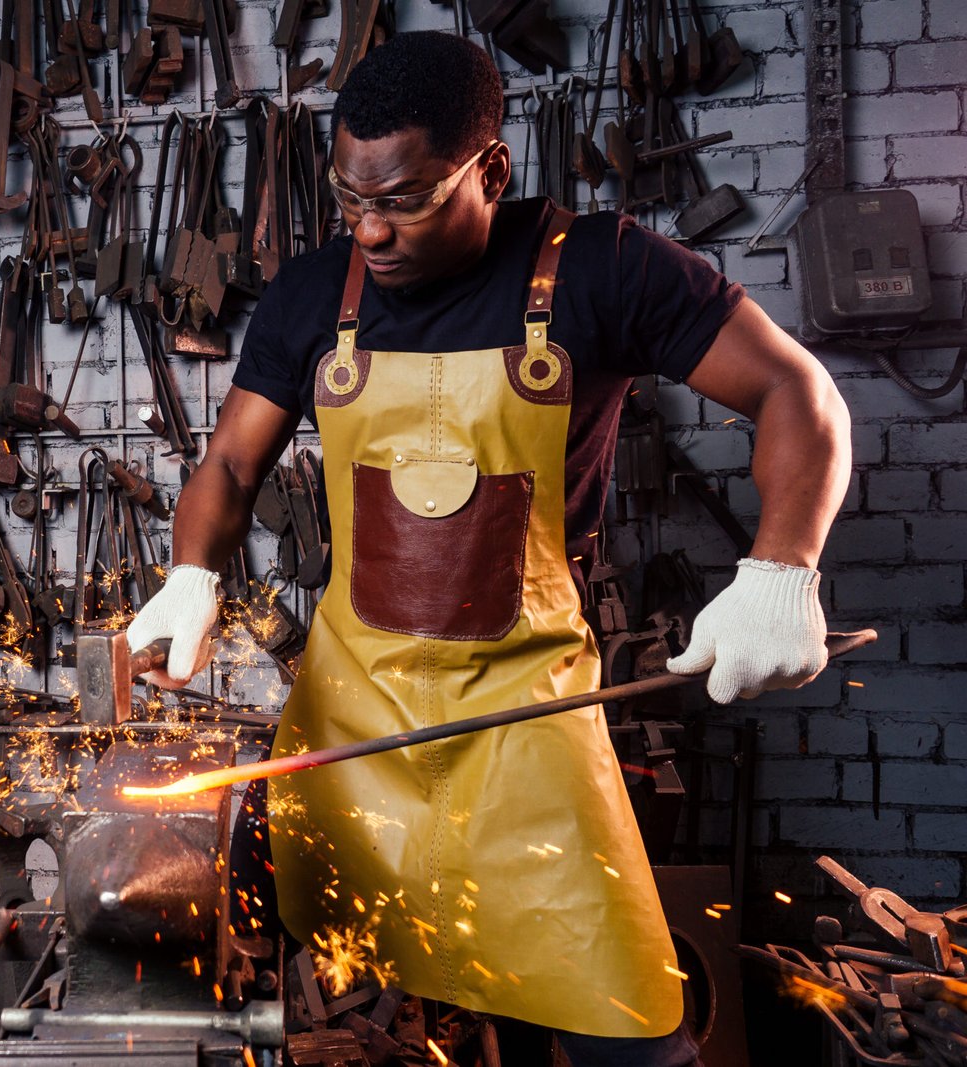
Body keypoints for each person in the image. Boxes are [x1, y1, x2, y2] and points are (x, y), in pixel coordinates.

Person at [124, 29, 850, 1067]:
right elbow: (233, 464)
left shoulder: (603, 268)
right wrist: (190, 571)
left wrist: (781, 567)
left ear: (489, 170)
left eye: (406, 200)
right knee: (263, 947)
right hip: (352, 713)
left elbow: (795, 391)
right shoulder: (312, 294)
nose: (370, 230)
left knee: (630, 1032)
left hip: (525, 720)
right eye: (348, 199)